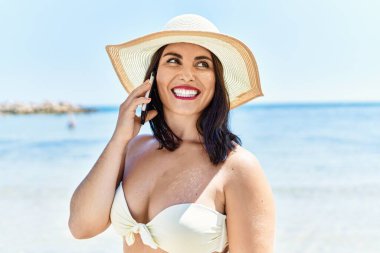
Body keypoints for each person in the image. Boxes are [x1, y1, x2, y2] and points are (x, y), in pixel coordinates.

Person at [68, 14, 275, 253]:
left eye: (202, 64)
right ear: (153, 77)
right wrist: (119, 139)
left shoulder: (238, 166)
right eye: (173, 61)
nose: (187, 74)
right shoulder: (134, 149)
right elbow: (81, 226)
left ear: (216, 82)